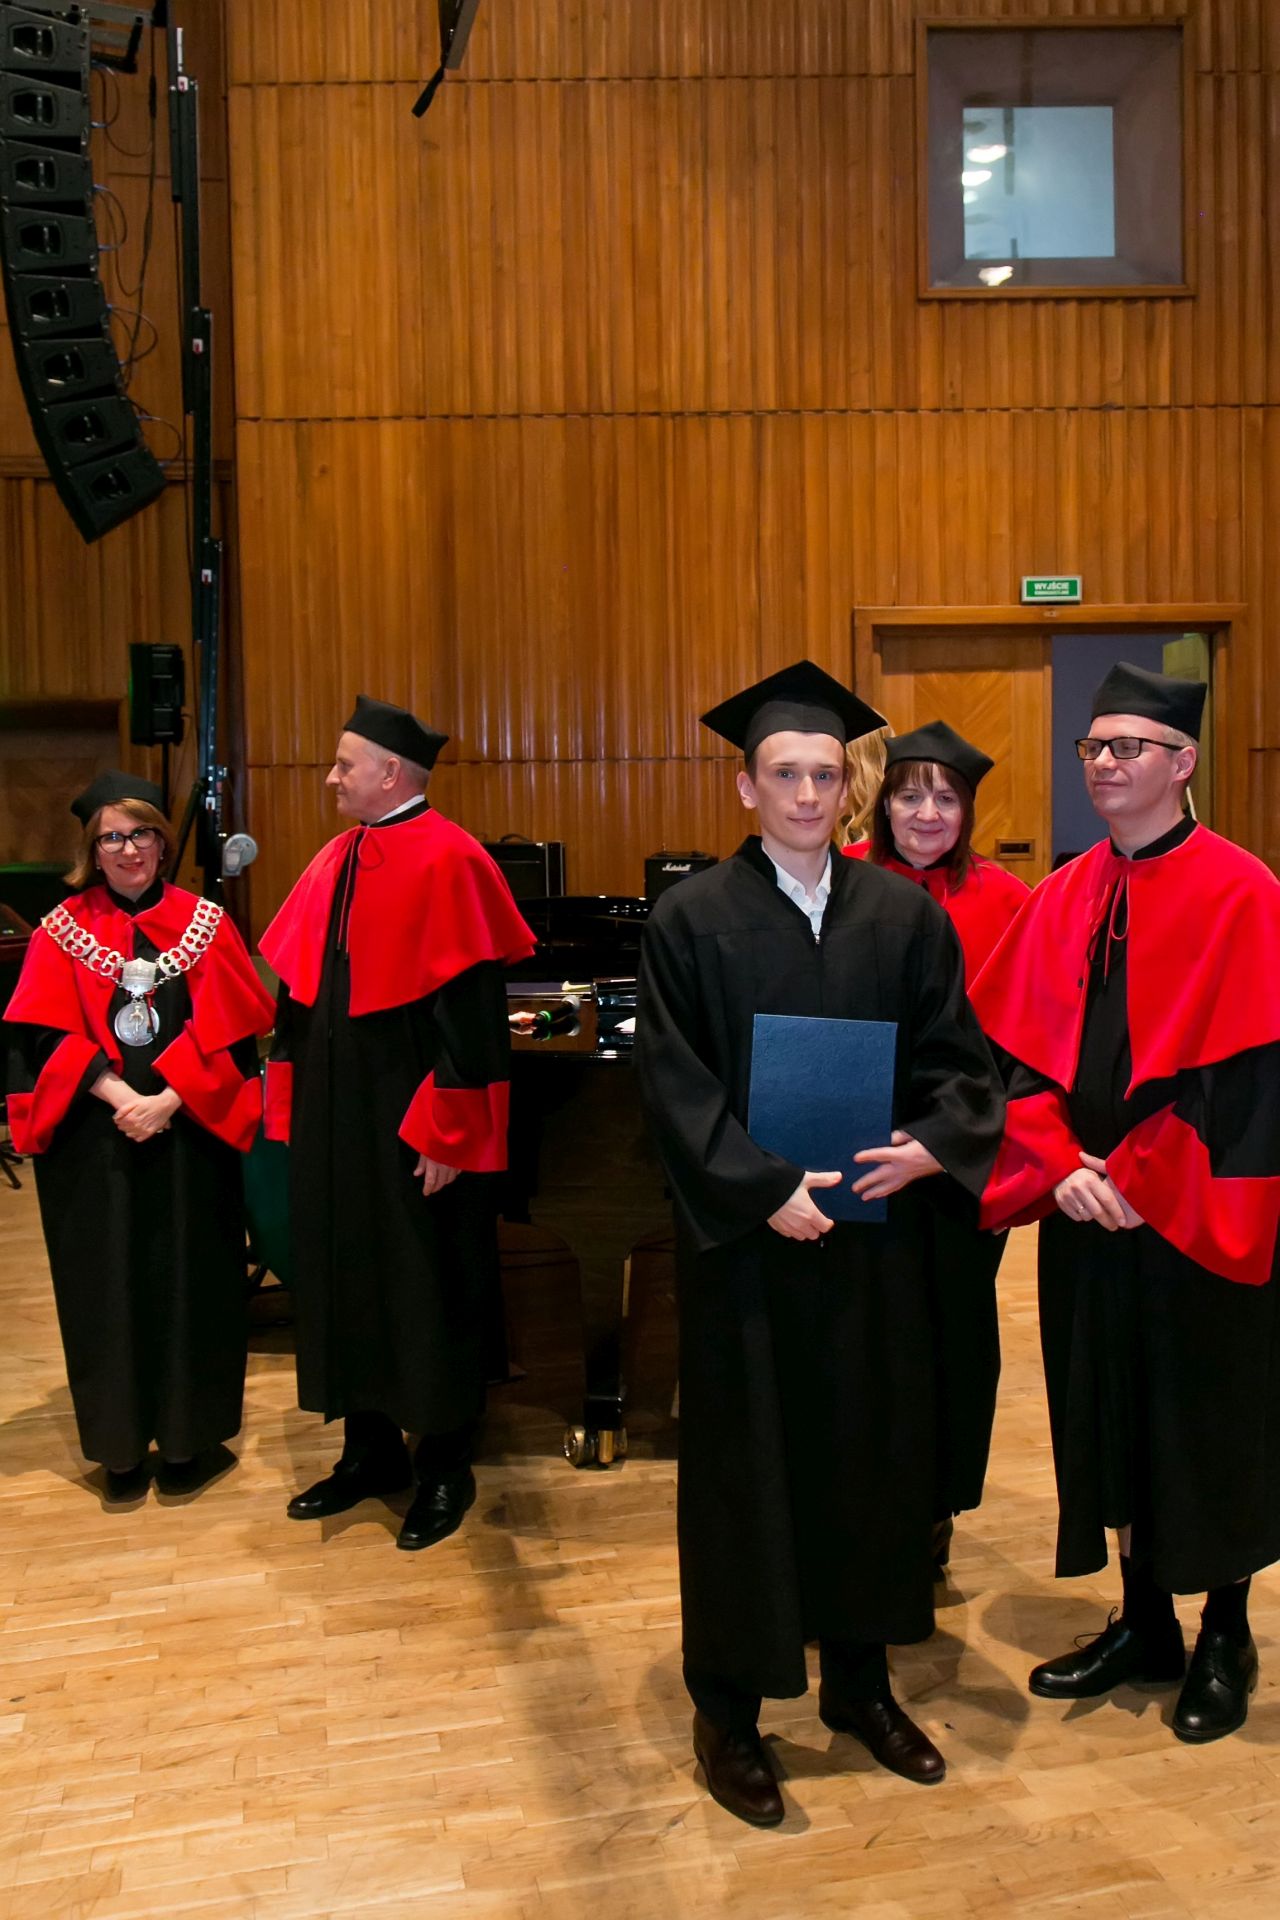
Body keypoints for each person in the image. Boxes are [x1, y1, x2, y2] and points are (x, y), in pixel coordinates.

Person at [635, 661, 1004, 1825]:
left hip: (868, 1247)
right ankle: (729, 1709)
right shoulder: (691, 919)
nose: (806, 794)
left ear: (848, 786)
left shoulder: (902, 917)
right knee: (742, 1474)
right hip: (747, 1252)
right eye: (783, 774)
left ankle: (858, 1682)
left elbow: (958, 1063)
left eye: (824, 774)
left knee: (867, 1459)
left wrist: (929, 1146)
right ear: (745, 787)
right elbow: (674, 1088)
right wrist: (761, 1189)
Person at [973, 662, 1280, 1744]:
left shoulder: (1244, 892)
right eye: (1092, 747)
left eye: (1126, 746)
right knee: (1105, 1409)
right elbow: (1013, 1056)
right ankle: (1142, 1620)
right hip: (1085, 1208)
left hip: (1193, 1219)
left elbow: (1249, 1085)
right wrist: (1058, 1163)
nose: (1103, 763)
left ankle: (1225, 1632)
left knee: (1205, 1417)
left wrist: (1148, 1186)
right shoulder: (1065, 892)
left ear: (1182, 762)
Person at [260, 696, 534, 1551]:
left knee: (430, 1285)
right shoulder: (336, 857)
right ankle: (369, 1450)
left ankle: (446, 1461)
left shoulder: (453, 858)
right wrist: (290, 1105)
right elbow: (297, 997)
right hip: (337, 1119)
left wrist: (451, 1135)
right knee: (345, 1275)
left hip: (415, 1131)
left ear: (390, 773)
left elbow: (474, 1023)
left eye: (344, 764)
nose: (331, 778)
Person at [3, 772, 275, 1498]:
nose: (129, 850)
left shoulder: (206, 923)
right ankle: (119, 1448)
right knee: (105, 1289)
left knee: (195, 1282)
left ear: (161, 841)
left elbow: (235, 1036)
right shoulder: (61, 929)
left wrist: (170, 1098)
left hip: (192, 1134)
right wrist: (125, 1097)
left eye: (142, 834)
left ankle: (188, 1439)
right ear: (92, 851)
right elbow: (40, 1038)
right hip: (93, 1139)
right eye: (112, 839)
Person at [844, 722, 1030, 1570]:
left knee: (950, 1331)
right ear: (883, 804)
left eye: (945, 798)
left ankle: (933, 1508)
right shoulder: (841, 878)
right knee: (865, 1333)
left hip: (959, 1154)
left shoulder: (1008, 900)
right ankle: (861, 1500)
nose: (926, 813)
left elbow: (1024, 1046)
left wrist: (960, 1146)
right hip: (859, 1146)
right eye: (909, 795)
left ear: (968, 812)